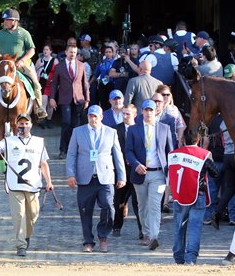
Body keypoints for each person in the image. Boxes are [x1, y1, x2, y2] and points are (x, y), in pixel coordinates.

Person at [0, 113, 53, 257]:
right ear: (16, 125)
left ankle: (26, 235)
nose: (23, 126)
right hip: (14, 185)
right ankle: (21, 245)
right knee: (19, 216)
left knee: (32, 216)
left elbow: (43, 163)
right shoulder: (8, 141)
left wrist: (49, 181)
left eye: (26, 123)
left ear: (31, 125)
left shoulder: (38, 142)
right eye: (21, 124)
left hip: (33, 185)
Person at [66, 105, 126, 253]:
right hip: (85, 177)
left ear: (101, 117)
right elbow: (71, 154)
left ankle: (103, 236)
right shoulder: (78, 132)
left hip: (105, 176)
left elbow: (118, 155)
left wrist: (122, 176)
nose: (92, 119)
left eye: (95, 116)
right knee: (85, 210)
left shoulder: (111, 132)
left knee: (108, 207)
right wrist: (70, 174)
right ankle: (88, 241)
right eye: (90, 116)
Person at [125, 99, 173, 250]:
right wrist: (136, 164)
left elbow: (170, 151)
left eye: (151, 110)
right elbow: (128, 151)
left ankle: (153, 236)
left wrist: (170, 173)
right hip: (140, 173)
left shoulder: (165, 128)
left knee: (154, 205)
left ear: (156, 111)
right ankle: (145, 232)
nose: (148, 113)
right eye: (146, 110)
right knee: (142, 205)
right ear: (142, 112)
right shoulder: (133, 129)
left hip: (158, 173)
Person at [169, 133, 219, 265]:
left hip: (179, 196)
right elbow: (215, 172)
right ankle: (191, 258)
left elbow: (167, 171)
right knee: (195, 227)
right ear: (199, 140)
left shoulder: (173, 154)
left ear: (183, 140)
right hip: (198, 195)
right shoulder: (204, 155)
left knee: (179, 226)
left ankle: (178, 257)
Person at [0, 8, 47, 120]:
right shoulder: (0, 34)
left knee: (35, 83)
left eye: (7, 20)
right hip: (4, 64)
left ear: (15, 21)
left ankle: (39, 108)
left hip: (21, 64)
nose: (5, 22)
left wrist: (22, 60)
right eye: (4, 20)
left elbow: (32, 50)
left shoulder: (24, 33)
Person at [49, 44, 90, 159]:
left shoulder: (81, 65)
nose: (73, 54)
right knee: (66, 123)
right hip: (65, 98)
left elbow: (85, 84)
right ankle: (63, 150)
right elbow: (54, 84)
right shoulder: (59, 67)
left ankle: (74, 150)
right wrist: (52, 98)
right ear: (66, 52)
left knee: (76, 126)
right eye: (71, 52)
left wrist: (87, 99)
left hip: (78, 99)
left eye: (75, 52)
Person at [112, 104, 142, 238]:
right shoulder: (115, 130)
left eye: (127, 114)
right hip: (121, 171)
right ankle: (116, 226)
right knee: (119, 201)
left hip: (136, 171)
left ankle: (142, 230)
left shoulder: (140, 129)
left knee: (138, 202)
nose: (124, 116)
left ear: (135, 115)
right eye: (123, 114)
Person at [35, 44, 58, 129]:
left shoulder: (55, 60)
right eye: (44, 49)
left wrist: (56, 81)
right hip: (42, 83)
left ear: (51, 51)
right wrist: (39, 66)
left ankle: (49, 120)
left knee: (51, 104)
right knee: (43, 102)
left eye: (47, 49)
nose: (45, 51)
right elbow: (34, 69)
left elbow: (58, 72)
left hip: (52, 83)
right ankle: (43, 121)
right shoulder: (39, 60)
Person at [91, 45, 116, 109]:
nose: (108, 54)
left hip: (112, 85)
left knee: (111, 103)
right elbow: (96, 75)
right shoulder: (101, 63)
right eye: (106, 52)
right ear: (104, 53)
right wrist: (89, 83)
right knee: (103, 104)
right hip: (103, 85)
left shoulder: (116, 62)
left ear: (112, 53)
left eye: (109, 52)